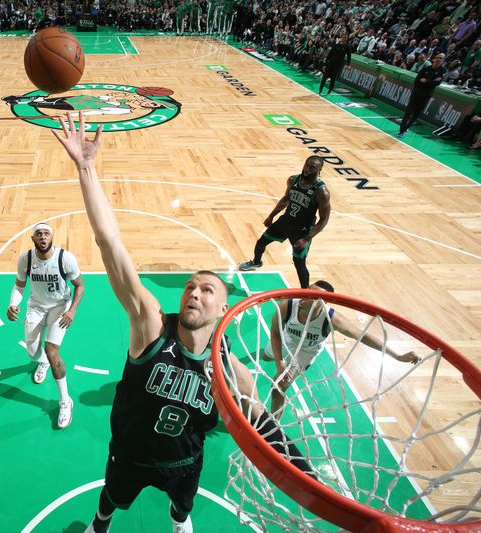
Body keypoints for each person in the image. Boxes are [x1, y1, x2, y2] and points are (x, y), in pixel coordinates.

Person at [51, 112, 311, 533]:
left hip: (185, 462)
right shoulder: (151, 326)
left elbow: (263, 422)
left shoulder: (231, 372)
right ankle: (100, 524)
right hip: (129, 454)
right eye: (191, 286)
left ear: (224, 310)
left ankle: (179, 521)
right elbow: (109, 241)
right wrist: (86, 168)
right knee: (110, 500)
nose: (195, 292)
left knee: (181, 507)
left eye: (208, 290)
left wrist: (308, 478)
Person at [262, 280, 420, 417]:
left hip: (304, 353)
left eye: (312, 294)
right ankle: (273, 359)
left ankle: (273, 425)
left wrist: (397, 356)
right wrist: (279, 362)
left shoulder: (331, 319)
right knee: (265, 356)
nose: (305, 294)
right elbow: (275, 333)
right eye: (307, 289)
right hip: (287, 340)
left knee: (278, 387)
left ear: (323, 302)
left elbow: (361, 335)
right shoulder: (288, 305)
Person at [7, 222, 85, 429]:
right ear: (33, 239)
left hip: (60, 307)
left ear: (52, 238)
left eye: (46, 234)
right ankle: (41, 362)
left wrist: (72, 311)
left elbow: (80, 285)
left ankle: (65, 401)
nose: (43, 237)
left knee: (52, 351)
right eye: (39, 234)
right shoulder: (26, 259)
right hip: (36, 307)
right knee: (32, 351)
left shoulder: (65, 258)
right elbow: (19, 285)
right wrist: (13, 304)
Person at [238, 156, 331, 288]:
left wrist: (306, 239)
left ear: (320, 169)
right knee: (261, 243)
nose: (307, 169)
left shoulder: (322, 192)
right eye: (306, 165)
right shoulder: (293, 180)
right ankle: (256, 262)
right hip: (286, 221)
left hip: (302, 231)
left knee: (299, 263)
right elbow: (286, 198)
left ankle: (305, 292)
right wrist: (271, 215)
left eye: (312, 167)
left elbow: (324, 219)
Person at [397, 53, 446, 137]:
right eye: (437, 57)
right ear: (433, 59)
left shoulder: (442, 71)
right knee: (408, 113)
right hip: (416, 93)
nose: (438, 59)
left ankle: (406, 128)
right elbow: (417, 81)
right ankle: (401, 130)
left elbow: (437, 83)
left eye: (441, 58)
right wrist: (430, 82)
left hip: (425, 96)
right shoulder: (425, 69)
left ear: (443, 60)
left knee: (416, 115)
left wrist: (426, 81)